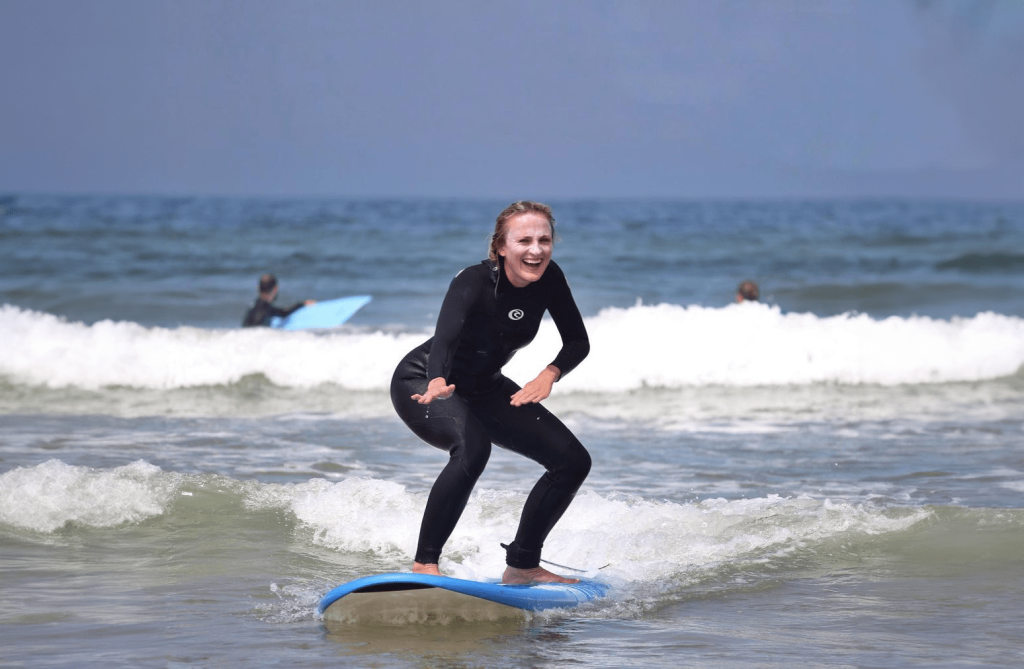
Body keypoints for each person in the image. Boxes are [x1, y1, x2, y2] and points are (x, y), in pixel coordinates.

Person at [390, 201, 591, 585]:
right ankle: (425, 564)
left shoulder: (550, 279)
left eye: (544, 240)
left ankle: (522, 565)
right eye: (525, 240)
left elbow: (578, 342)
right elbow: (445, 339)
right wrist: (436, 380)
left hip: (485, 386)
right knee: (473, 448)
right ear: (501, 246)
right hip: (424, 381)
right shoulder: (473, 280)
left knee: (572, 462)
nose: (536, 250)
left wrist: (550, 374)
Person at [241, 273, 314, 327]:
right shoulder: (267, 308)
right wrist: (302, 304)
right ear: (275, 289)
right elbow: (284, 313)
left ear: (258, 288)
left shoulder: (252, 306)